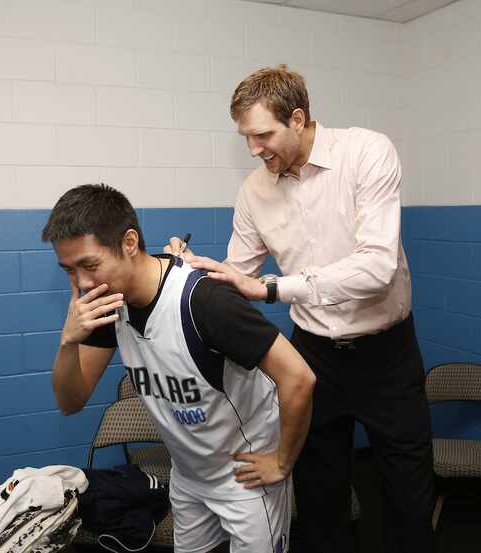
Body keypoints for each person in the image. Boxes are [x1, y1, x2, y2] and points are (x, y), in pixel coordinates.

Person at [167, 66, 436, 553]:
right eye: (246, 137)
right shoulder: (254, 190)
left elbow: (376, 268)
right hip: (314, 355)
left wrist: (271, 289)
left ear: (297, 118)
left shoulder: (367, 153)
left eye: (262, 135)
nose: (254, 149)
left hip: (387, 356)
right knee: (318, 498)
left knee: (408, 496)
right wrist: (193, 270)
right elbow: (237, 273)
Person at [41, 183, 316, 553]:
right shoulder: (108, 304)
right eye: (69, 271)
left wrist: (282, 462)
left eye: (90, 265)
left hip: (246, 475)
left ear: (128, 243)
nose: (83, 283)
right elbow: (70, 401)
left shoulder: (204, 300)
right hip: (188, 474)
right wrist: (68, 341)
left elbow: (299, 377)